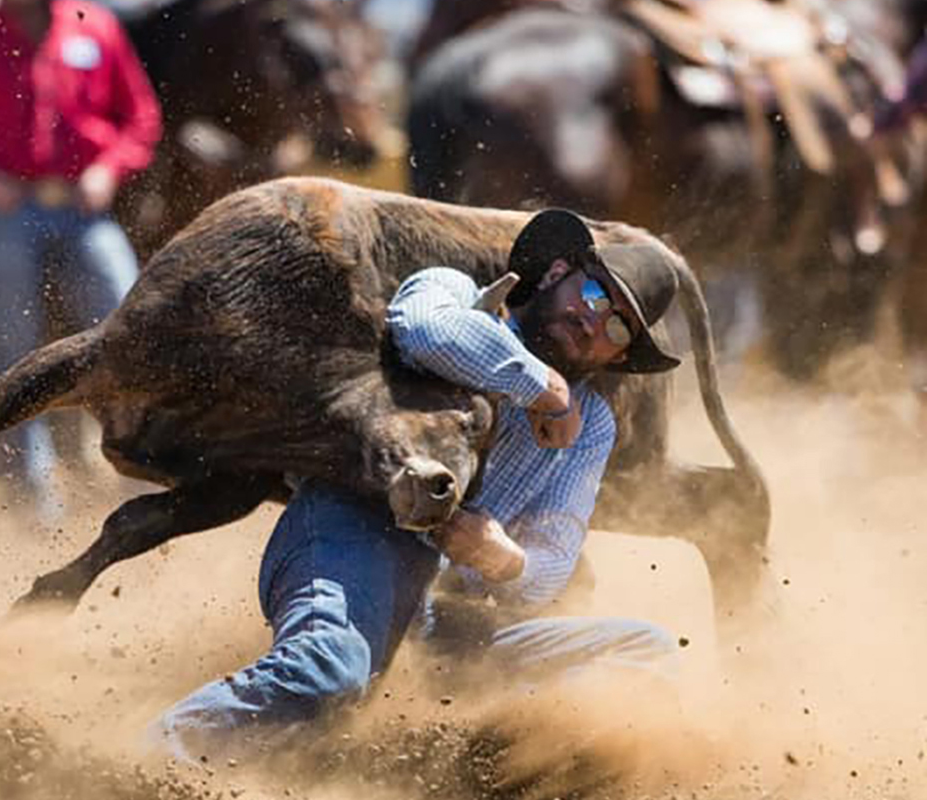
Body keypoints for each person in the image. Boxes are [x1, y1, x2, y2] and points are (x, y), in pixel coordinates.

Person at [154, 209, 684, 760]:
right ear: (556, 273)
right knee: (326, 670)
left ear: (618, 356)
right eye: (596, 296)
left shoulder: (592, 424)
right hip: (357, 532)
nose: (594, 322)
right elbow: (425, 331)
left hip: (456, 615)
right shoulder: (452, 290)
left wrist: (504, 559)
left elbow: (553, 556)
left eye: (618, 328)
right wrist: (541, 387)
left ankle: (485, 772)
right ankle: (154, 762)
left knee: (646, 652)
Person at [0, 0, 161, 517]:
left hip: (83, 208)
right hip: (5, 208)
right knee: (11, 350)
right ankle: (31, 498)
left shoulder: (97, 27)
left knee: (131, 327)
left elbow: (141, 119)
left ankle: (145, 475)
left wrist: (109, 170)